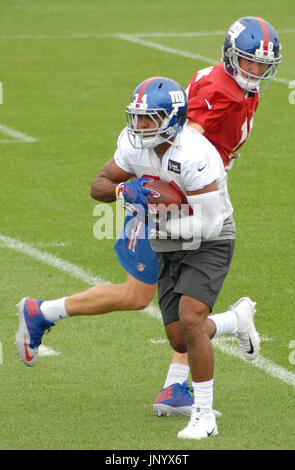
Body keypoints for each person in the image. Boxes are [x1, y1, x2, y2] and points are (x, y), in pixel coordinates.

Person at [15, 75, 260, 440]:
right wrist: (122, 189)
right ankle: (236, 319)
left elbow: (208, 225)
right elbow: (97, 184)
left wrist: (160, 215)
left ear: (173, 120)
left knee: (191, 319)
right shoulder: (133, 144)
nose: (141, 126)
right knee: (181, 339)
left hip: (208, 237)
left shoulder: (196, 154)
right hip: (165, 238)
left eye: (150, 119)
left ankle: (204, 416)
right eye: (138, 117)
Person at [153, 15, 282, 417]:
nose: (255, 71)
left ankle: (176, 388)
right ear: (230, 57)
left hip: (201, 191)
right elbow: (183, 143)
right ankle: (233, 323)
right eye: (248, 62)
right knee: (176, 310)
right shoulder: (218, 90)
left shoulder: (239, 88)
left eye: (263, 64)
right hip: (187, 187)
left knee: (188, 308)